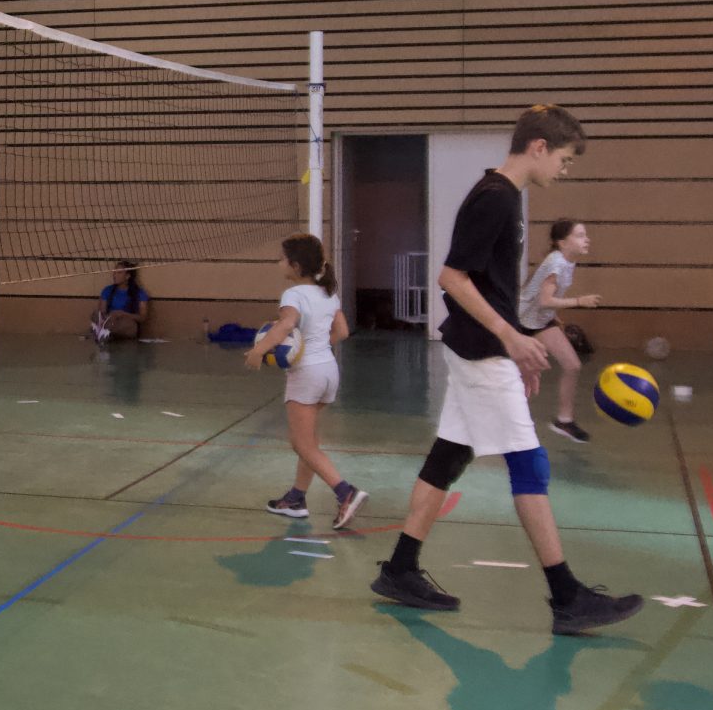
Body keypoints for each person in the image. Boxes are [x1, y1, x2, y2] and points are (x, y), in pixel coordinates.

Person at [369, 106, 644, 636]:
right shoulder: (494, 198)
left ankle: (401, 569)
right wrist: (510, 337)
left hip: (485, 348)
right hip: (481, 351)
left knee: (448, 456)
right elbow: (452, 276)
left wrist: (521, 342)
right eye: (563, 159)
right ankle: (568, 598)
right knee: (530, 467)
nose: (564, 170)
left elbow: (493, 286)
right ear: (538, 146)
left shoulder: (508, 197)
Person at [252, 235, 367, 531]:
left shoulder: (293, 295)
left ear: (295, 265)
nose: (278, 263)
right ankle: (296, 499)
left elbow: (286, 325)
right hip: (329, 370)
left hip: (307, 375)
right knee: (308, 443)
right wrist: (314, 348)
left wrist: (259, 349)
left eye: (281, 258)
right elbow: (341, 331)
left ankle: (345, 492)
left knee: (301, 443)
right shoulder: (328, 293)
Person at [520, 218, 600, 443]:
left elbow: (542, 299)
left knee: (572, 365)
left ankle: (564, 421)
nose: (587, 239)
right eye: (580, 235)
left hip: (541, 320)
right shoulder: (556, 263)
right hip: (521, 323)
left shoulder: (567, 261)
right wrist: (579, 301)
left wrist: (555, 318)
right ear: (562, 243)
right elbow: (545, 299)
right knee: (521, 375)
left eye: (586, 234)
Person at [90, 260, 151, 343]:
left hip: (127, 324)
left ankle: (103, 332)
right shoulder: (108, 290)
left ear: (127, 276)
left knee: (127, 324)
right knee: (96, 314)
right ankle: (104, 332)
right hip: (110, 321)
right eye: (114, 272)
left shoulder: (139, 293)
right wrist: (110, 316)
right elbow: (102, 312)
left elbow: (143, 317)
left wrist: (123, 314)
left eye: (119, 273)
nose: (114, 275)